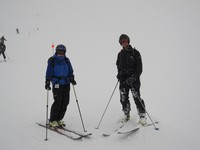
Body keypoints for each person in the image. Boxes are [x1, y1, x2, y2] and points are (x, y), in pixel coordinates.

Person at [116, 34, 147, 125]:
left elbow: (139, 68)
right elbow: (118, 66)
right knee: (123, 97)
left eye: (125, 41)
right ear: (120, 43)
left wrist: (133, 78)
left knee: (136, 97)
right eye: (122, 41)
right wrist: (119, 74)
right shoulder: (120, 54)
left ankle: (142, 116)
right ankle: (126, 114)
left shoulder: (135, 53)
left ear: (128, 41)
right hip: (123, 80)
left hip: (134, 80)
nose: (124, 43)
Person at [45, 44, 77, 128]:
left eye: (62, 52)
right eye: (59, 52)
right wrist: (47, 81)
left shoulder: (66, 60)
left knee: (65, 102)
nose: (61, 54)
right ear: (56, 51)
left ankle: (59, 119)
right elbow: (49, 71)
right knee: (58, 102)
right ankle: (52, 120)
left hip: (66, 83)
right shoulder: (52, 60)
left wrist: (72, 78)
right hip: (57, 84)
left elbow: (70, 70)